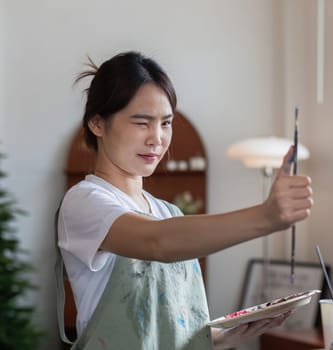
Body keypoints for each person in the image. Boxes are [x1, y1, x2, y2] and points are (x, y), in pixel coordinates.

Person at [56, 51, 313, 350]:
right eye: (142, 123)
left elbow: (174, 329)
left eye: (165, 123)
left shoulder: (169, 213)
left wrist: (230, 332)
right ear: (97, 124)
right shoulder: (84, 202)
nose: (157, 138)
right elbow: (157, 242)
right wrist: (266, 217)